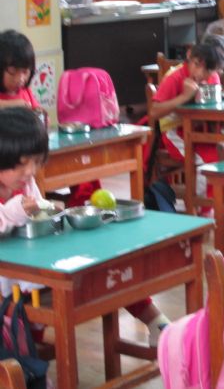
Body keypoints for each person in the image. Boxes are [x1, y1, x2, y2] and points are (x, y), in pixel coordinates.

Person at [0, 108, 169, 345]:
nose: (30, 172)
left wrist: (49, 210)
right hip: (11, 277)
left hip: (34, 261)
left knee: (101, 265)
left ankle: (155, 320)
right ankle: (30, 348)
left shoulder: (25, 183)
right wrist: (14, 212)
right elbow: (11, 217)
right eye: (21, 164)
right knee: (39, 306)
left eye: (36, 162)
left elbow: (37, 210)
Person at [150, 37, 224, 201]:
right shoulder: (175, 77)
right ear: (189, 56)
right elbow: (154, 112)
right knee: (205, 162)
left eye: (207, 70)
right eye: (197, 65)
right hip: (175, 133)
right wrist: (184, 97)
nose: (200, 73)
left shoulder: (213, 78)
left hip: (202, 132)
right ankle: (202, 206)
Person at [0, 29, 40, 109]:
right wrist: (12, 104)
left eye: (25, 72)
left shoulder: (26, 92)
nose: (20, 79)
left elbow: (37, 111)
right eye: (12, 71)